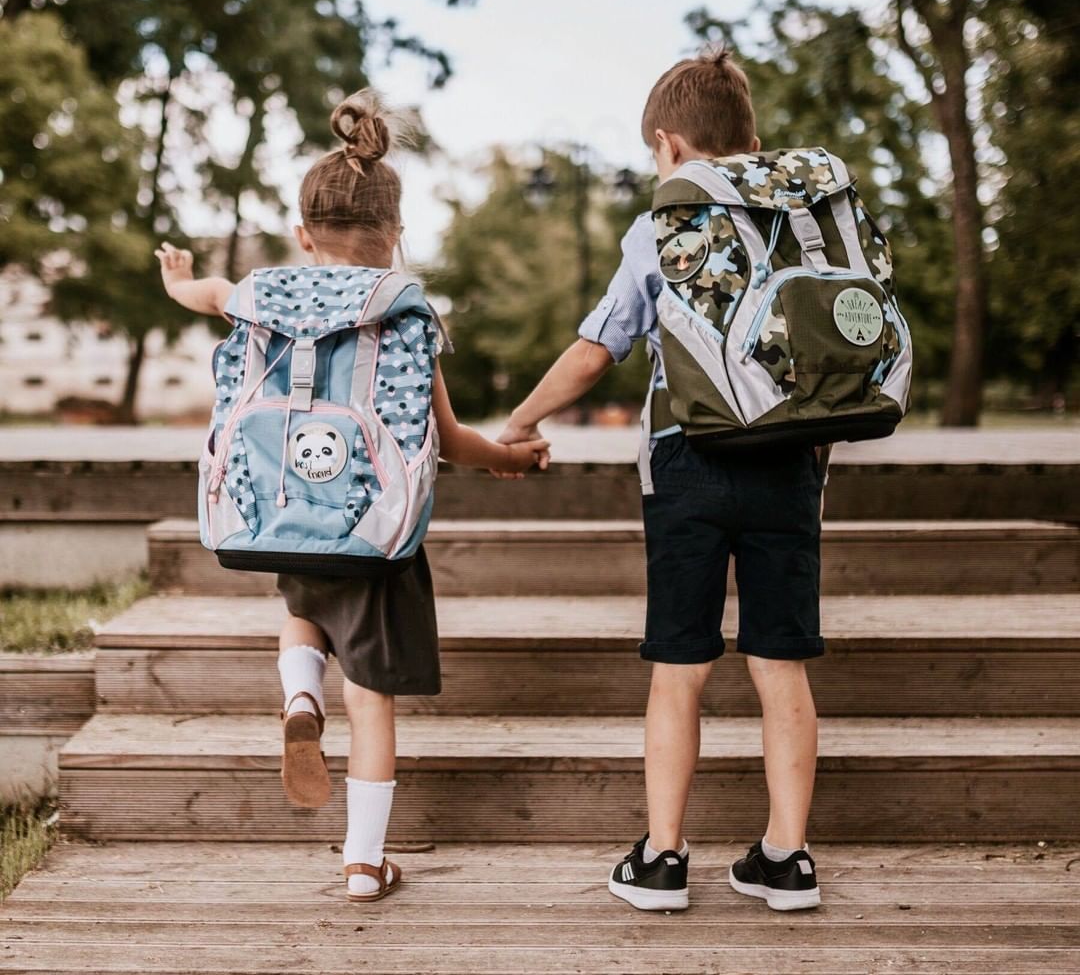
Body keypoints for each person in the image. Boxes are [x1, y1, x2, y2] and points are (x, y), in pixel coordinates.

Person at [156, 89, 548, 903]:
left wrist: (180, 283)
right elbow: (449, 437)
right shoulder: (402, 311)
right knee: (372, 703)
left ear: (304, 234)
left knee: (299, 606)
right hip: (371, 530)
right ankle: (364, 864)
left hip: (279, 515)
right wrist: (509, 459)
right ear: (396, 234)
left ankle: (300, 690)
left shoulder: (260, 293)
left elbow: (209, 294)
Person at [498, 46, 825, 912]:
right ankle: (786, 858)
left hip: (688, 460)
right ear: (750, 136)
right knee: (780, 662)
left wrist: (523, 421)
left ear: (669, 144)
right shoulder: (804, 218)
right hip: (790, 461)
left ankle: (664, 859)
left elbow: (595, 351)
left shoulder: (662, 226)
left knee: (678, 666)